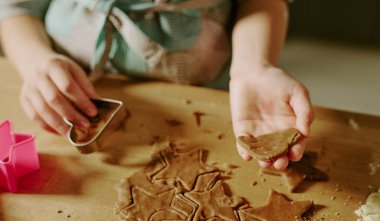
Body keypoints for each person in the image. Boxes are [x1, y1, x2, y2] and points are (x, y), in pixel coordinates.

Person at [0, 0, 313, 170]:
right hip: (77, 92)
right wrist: (34, 61)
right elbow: (15, 8)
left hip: (210, 99)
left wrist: (254, 66)